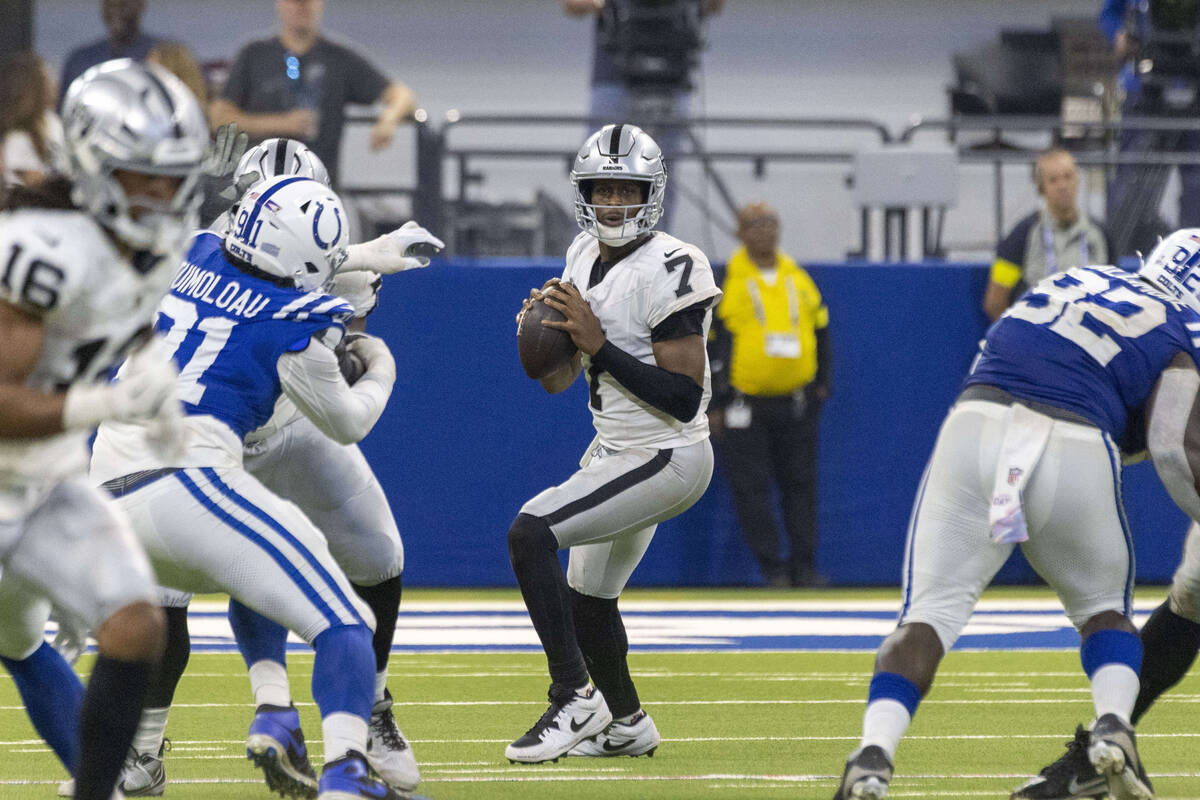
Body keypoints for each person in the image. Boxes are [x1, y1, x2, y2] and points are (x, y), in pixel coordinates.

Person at [108, 138, 442, 799]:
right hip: (214, 452)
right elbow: (345, 408)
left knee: (373, 552)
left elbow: (285, 260)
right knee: (323, 608)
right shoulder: (294, 301)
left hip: (161, 451)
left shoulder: (199, 250)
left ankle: (328, 716)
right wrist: (380, 361)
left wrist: (366, 258)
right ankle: (312, 749)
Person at [829, 229, 1200, 800]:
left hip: (977, 423)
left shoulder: (1074, 279)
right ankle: (1112, 727)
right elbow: (1173, 447)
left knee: (926, 617)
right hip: (1073, 437)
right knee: (1104, 612)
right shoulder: (1181, 329)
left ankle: (873, 755)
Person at [0, 58, 209, 800]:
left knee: (134, 626)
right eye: (143, 176)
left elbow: (122, 307)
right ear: (94, 167)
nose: (163, 196)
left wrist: (154, 380)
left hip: (41, 480)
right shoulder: (40, 250)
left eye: (173, 176)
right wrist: (105, 406)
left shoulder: (148, 242)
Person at [506, 123, 720, 764]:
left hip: (668, 452)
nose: (615, 203)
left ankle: (574, 694)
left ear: (651, 194)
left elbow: (683, 397)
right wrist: (548, 347)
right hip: (614, 448)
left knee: (530, 534)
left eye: (628, 190)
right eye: (604, 190)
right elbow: (561, 381)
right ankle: (626, 724)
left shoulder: (674, 265)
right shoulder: (580, 254)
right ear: (586, 194)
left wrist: (599, 342)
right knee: (589, 601)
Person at [707, 202, 830, 588]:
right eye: (754, 224)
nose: (764, 231)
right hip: (744, 405)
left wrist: (821, 381)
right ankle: (772, 567)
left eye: (770, 223)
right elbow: (711, 344)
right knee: (752, 489)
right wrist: (713, 403)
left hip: (795, 402)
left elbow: (821, 328)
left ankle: (804, 566)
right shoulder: (727, 279)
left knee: (801, 486)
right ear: (739, 233)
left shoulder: (797, 276)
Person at [211, 0, 417, 188]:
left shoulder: (339, 58)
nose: (302, 6)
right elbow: (219, 119)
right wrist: (282, 124)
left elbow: (401, 94)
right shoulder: (254, 54)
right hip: (256, 187)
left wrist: (388, 120)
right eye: (295, 1)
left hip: (316, 190)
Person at [563, 0, 724, 228]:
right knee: (598, 167)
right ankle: (590, 252)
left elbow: (714, 6)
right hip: (615, 73)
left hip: (672, 72)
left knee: (660, 173)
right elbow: (573, 5)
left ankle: (655, 250)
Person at [1101, 0, 1200, 259]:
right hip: (1144, 90)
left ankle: (1194, 261)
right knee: (1131, 184)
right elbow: (1110, 13)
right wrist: (1118, 36)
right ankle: (1121, 261)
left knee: (1196, 187)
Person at [982, 148, 1112, 321]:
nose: (1063, 186)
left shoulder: (1101, 233)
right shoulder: (1021, 234)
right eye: (1053, 180)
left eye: (1068, 177)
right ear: (1041, 188)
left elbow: (1114, 293)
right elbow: (994, 302)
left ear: (1077, 180)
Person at [59, 0, 159, 107]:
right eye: (110, 3)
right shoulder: (80, 60)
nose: (116, 9)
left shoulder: (160, 55)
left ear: (140, 5)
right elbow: (65, 111)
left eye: (123, 3)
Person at [1, 52, 64, 190]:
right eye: (46, 79)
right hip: (29, 208)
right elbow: (34, 183)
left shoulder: (53, 122)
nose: (53, 84)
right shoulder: (17, 137)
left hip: (60, 206)